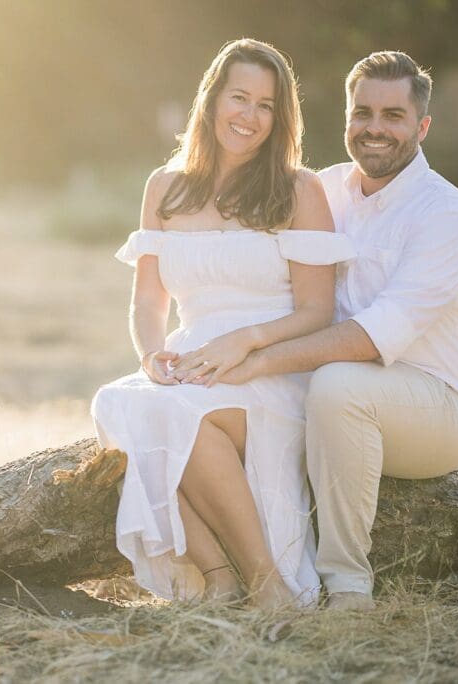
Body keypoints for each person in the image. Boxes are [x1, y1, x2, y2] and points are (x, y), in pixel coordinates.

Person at [208, 51, 458, 611]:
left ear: (422, 126)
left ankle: (347, 588)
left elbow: (370, 338)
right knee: (234, 404)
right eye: (363, 113)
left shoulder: (447, 217)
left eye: (393, 116)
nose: (375, 129)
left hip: (440, 401)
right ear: (346, 117)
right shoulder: (325, 190)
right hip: (333, 388)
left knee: (338, 386)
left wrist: (259, 357)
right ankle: (223, 573)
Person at [91, 38, 355, 610]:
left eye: (266, 106)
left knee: (178, 412)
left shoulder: (298, 189)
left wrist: (248, 342)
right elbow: (148, 302)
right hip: (195, 358)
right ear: (212, 100)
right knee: (121, 403)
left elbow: (316, 310)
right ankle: (219, 576)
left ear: (281, 117)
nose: (250, 117)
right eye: (240, 97)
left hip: (272, 362)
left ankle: (269, 584)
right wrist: (151, 354)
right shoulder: (165, 187)